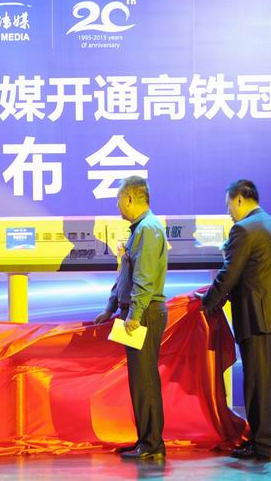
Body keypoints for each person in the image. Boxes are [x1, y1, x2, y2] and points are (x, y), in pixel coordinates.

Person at [200, 180, 271, 461]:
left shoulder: (243, 229)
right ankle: (270, 440)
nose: (228, 212)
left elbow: (229, 274)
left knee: (257, 384)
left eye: (228, 205)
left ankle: (261, 445)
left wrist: (207, 304)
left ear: (240, 199)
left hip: (258, 319)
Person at [94, 176, 168, 461]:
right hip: (137, 312)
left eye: (118, 201)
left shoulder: (148, 229)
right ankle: (146, 441)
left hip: (144, 314)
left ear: (129, 199)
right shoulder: (140, 229)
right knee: (140, 381)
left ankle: (152, 444)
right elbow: (126, 273)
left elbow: (144, 278)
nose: (117, 207)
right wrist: (111, 307)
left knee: (145, 380)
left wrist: (134, 314)